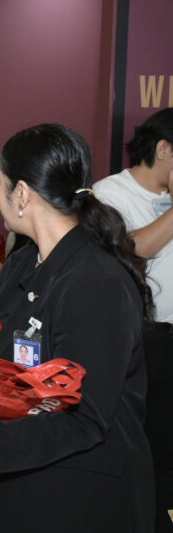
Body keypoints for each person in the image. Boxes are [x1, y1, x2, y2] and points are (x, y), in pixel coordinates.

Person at [0, 123, 155, 532]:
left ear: (22, 193)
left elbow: (85, 419)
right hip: (16, 483)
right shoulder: (24, 262)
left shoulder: (97, 283)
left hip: (77, 497)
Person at [93, 107, 173, 532]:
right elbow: (130, 249)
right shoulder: (110, 193)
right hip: (141, 338)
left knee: (167, 453)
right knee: (136, 449)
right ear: (164, 150)